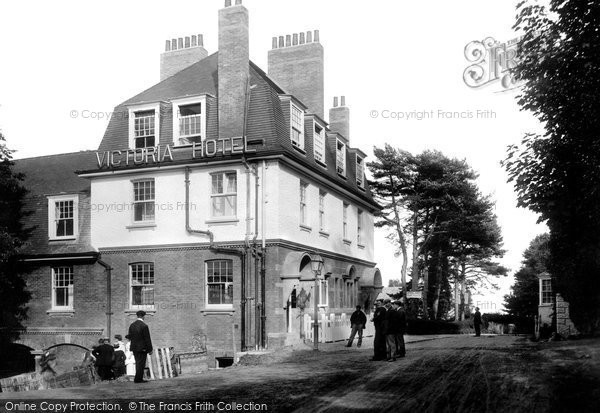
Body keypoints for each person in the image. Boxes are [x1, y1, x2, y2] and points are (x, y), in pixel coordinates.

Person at [128, 310, 153, 383]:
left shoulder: (132, 325)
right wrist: (150, 349)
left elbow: (129, 336)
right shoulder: (144, 326)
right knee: (141, 364)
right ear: (143, 316)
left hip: (134, 348)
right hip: (142, 348)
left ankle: (137, 378)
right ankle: (138, 379)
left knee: (137, 362)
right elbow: (147, 338)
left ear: (137, 316)